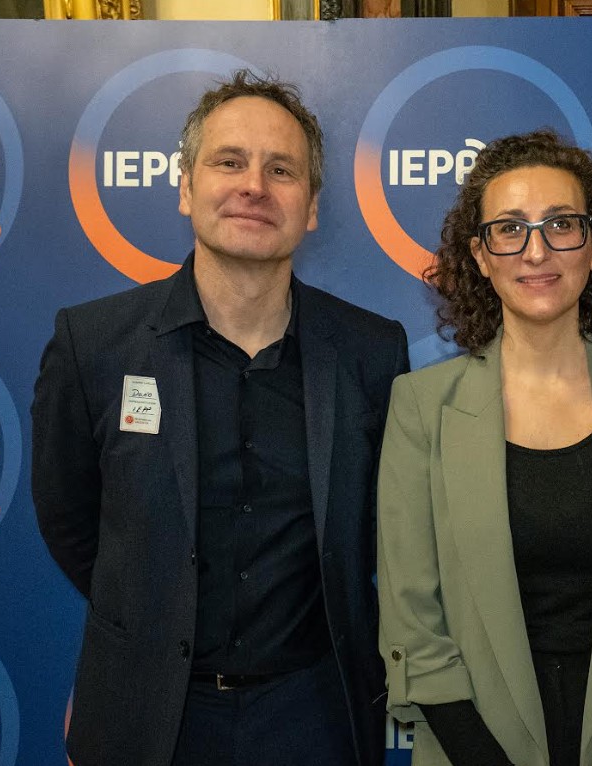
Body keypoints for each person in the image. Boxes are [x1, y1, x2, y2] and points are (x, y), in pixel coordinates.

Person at [31, 70, 408, 766]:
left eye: (281, 170)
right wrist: (143, 630)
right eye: (229, 161)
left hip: (317, 717)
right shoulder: (93, 343)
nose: (254, 186)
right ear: (185, 187)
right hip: (144, 716)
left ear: (311, 207)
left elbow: (387, 532)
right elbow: (70, 519)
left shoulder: (372, 352)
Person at [376, 130, 592, 766]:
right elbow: (411, 616)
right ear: (480, 256)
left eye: (561, 224)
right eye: (509, 229)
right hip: (472, 743)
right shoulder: (423, 407)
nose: (537, 251)